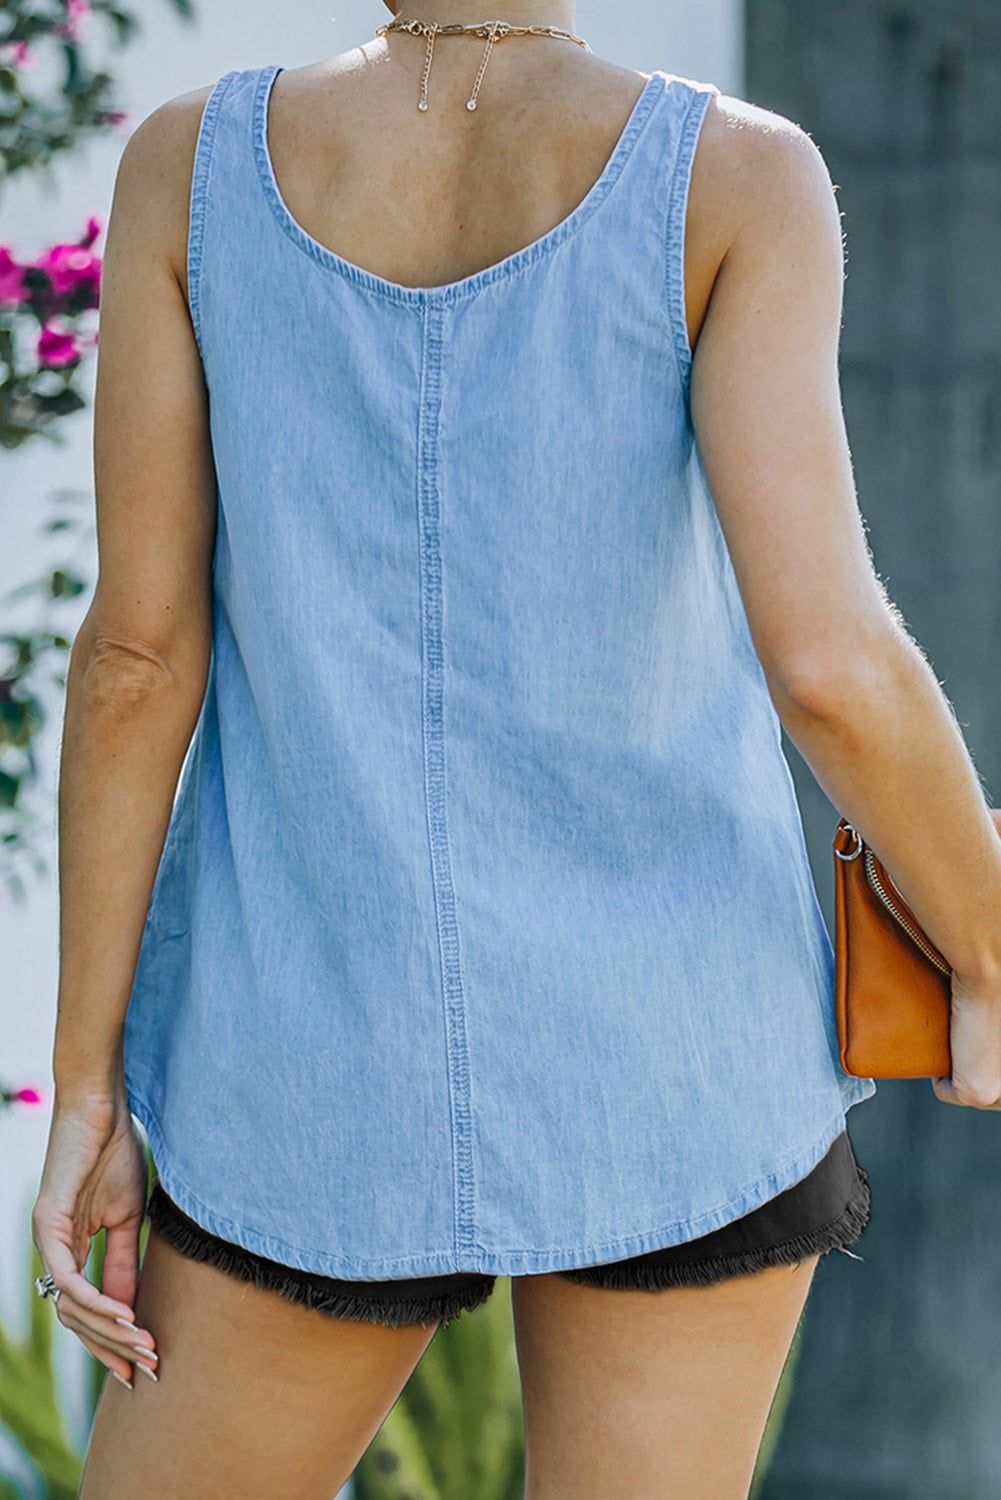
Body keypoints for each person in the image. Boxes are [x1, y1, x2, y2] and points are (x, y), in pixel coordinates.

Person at [30, 1, 1001, 1495]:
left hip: (304, 1058)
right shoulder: (738, 177)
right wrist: (985, 950)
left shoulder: (188, 167)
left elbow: (137, 661)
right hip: (677, 1059)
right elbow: (828, 665)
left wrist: (85, 1082)